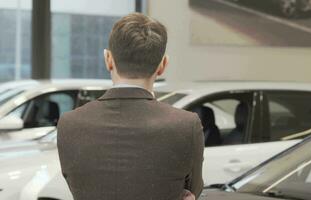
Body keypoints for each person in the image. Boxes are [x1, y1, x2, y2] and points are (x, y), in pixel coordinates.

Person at [57, 13, 204, 200]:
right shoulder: (186, 125)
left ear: (108, 59)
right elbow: (194, 191)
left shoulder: (69, 124)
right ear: (163, 65)